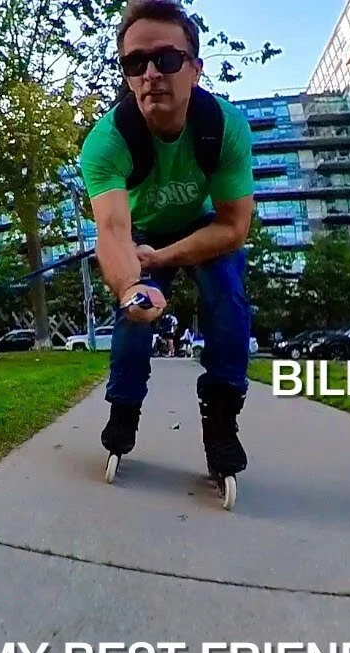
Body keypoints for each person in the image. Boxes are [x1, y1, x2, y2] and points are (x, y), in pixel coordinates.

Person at [79, 0, 254, 478]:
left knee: (227, 298)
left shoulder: (226, 128)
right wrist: (134, 284)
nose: (151, 74)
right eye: (135, 63)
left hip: (204, 226)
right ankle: (123, 411)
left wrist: (167, 256)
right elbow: (112, 232)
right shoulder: (106, 141)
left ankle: (221, 423)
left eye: (167, 59)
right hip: (141, 231)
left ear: (195, 69)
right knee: (133, 310)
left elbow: (235, 226)